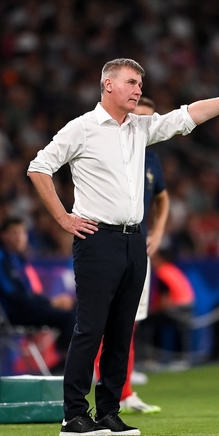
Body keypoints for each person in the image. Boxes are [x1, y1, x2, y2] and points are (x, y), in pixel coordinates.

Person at [27, 57, 219, 436]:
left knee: (122, 330)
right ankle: (73, 415)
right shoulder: (82, 128)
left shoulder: (140, 128)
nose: (138, 90)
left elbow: (189, 115)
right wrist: (63, 218)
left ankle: (109, 411)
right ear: (108, 85)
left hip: (134, 240)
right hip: (97, 240)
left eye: (140, 84)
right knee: (91, 329)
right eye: (131, 82)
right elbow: (39, 166)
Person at [93, 96, 165, 414]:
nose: (144, 126)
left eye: (150, 121)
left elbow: (164, 199)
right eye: (139, 118)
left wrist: (159, 232)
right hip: (108, 246)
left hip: (139, 247)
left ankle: (125, 392)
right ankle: (105, 389)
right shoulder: (110, 151)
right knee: (101, 322)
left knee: (129, 322)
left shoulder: (151, 161)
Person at [0, 217, 76, 373]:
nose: (19, 237)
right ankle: (65, 362)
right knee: (68, 316)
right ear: (3, 236)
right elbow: (14, 295)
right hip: (13, 313)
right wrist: (50, 303)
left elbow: (30, 293)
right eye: (14, 232)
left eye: (22, 232)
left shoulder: (19, 259)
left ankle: (66, 361)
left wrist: (49, 302)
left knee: (74, 309)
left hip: (28, 308)